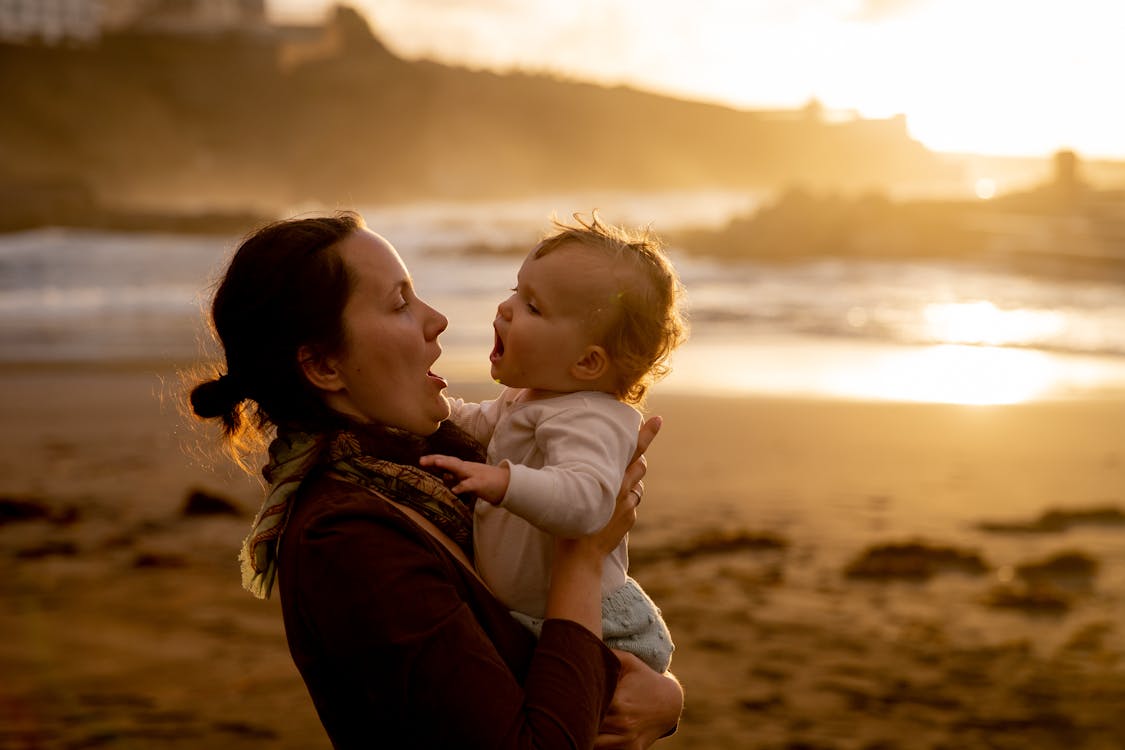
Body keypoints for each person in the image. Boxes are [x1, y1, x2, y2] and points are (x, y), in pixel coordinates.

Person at [188, 211, 683, 749]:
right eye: (400, 304)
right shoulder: (349, 541)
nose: (437, 320)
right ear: (324, 365)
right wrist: (584, 557)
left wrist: (665, 697)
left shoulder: (423, 464)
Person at [421, 213, 687, 673]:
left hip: (605, 628)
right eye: (514, 292)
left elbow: (586, 503)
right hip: (541, 614)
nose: (505, 310)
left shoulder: (592, 419)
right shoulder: (529, 399)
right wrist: (436, 405)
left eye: (533, 307)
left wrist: (504, 482)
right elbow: (480, 424)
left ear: (587, 361)